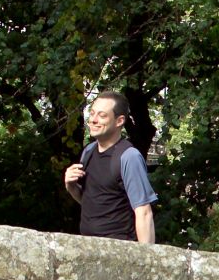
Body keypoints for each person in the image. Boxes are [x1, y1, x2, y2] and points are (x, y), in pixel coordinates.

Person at [62, 91, 156, 244]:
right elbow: (94, 203)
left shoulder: (129, 157)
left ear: (119, 121)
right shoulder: (88, 151)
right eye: (92, 113)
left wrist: (147, 260)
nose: (93, 120)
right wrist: (71, 186)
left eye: (102, 115)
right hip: (87, 246)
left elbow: (144, 213)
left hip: (119, 249)